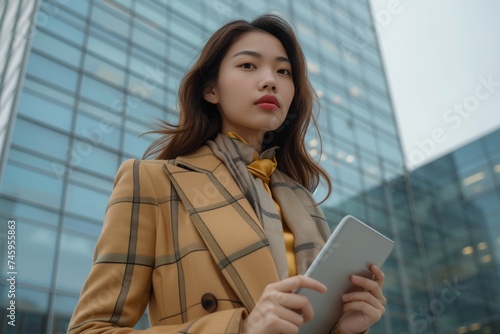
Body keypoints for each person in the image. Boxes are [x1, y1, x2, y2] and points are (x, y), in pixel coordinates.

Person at [67, 13, 386, 334]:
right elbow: (90, 329)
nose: (270, 80)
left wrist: (345, 329)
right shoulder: (153, 182)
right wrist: (241, 329)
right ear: (210, 90)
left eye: (283, 71)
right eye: (248, 65)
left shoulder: (304, 203)